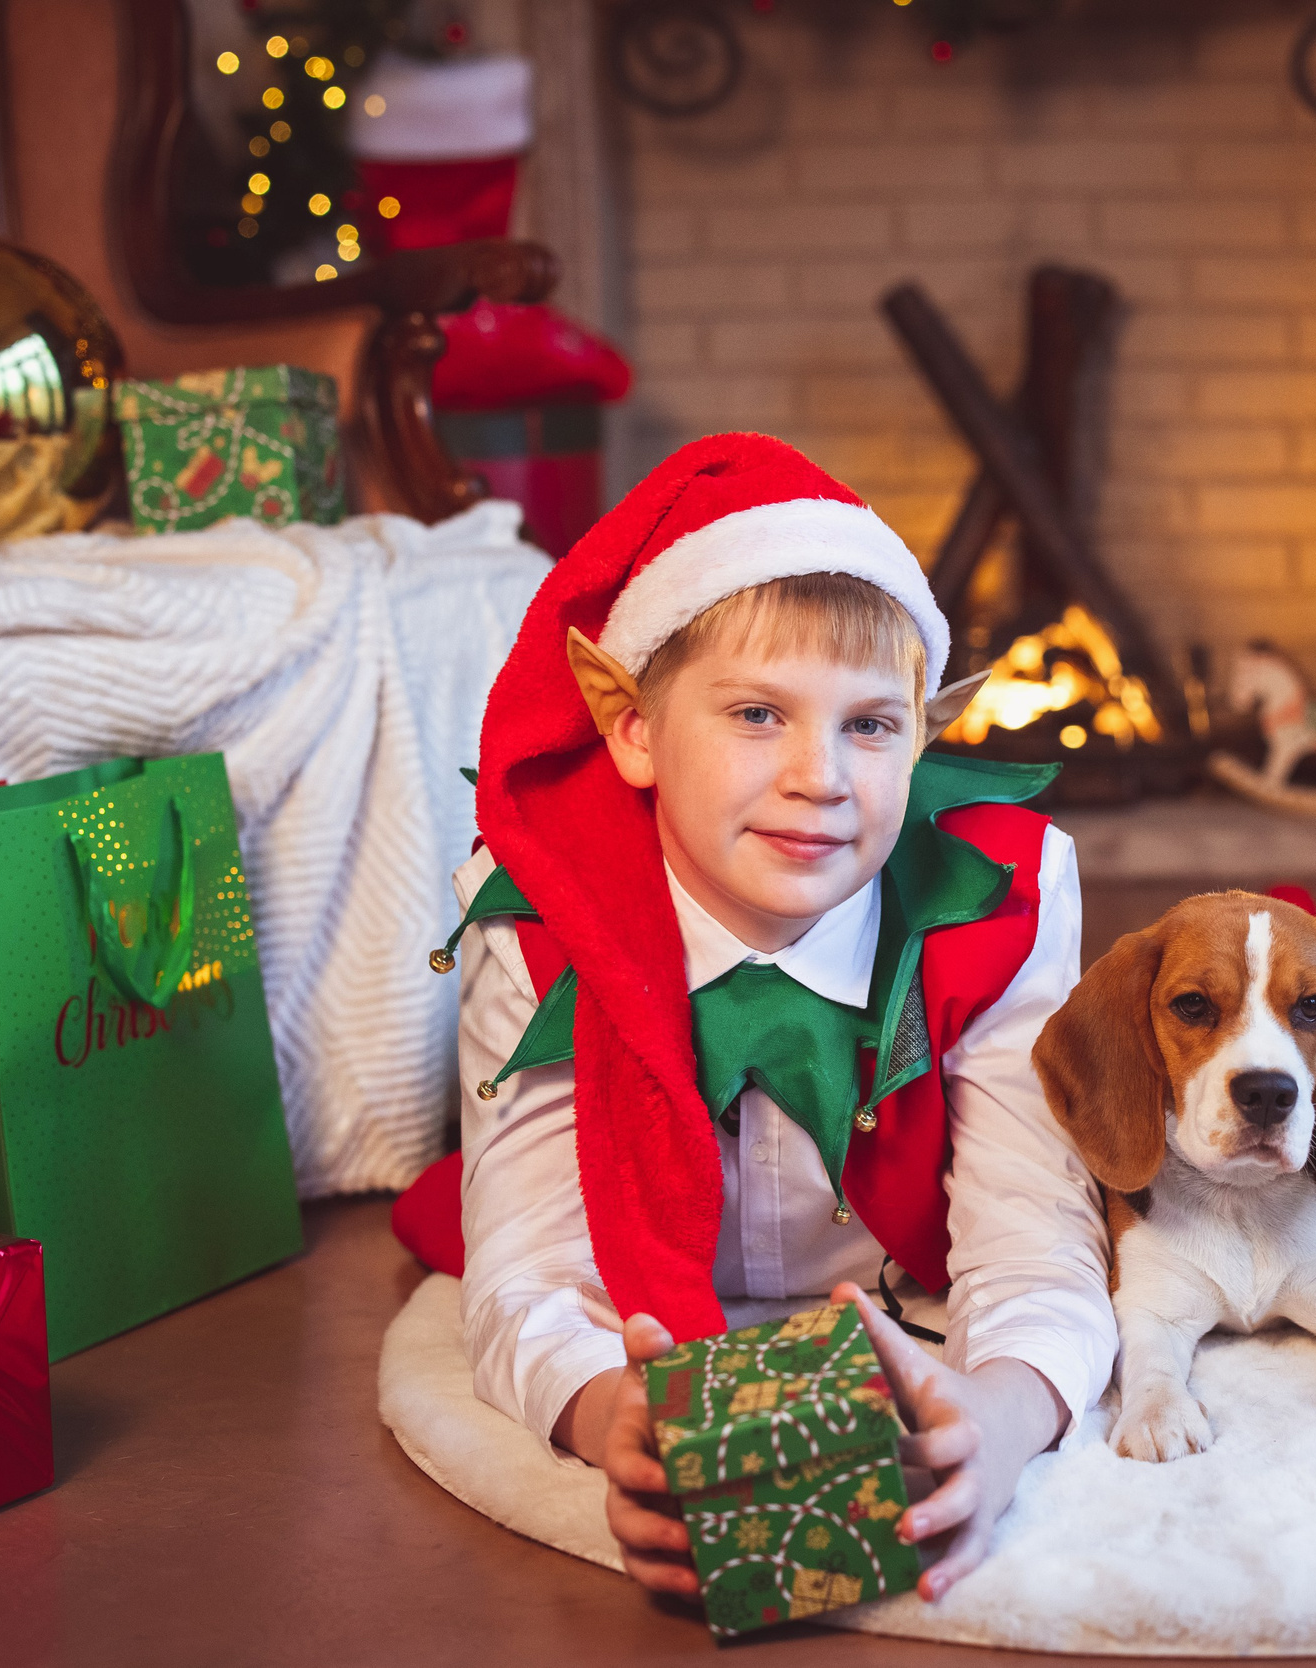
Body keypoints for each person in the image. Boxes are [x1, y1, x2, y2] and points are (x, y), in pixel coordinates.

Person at [436, 433, 1113, 1602]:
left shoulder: (992, 903)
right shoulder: (543, 915)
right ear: (633, 727)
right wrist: (612, 1413)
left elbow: (1035, 1229)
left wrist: (999, 1419)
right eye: (757, 714)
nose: (822, 777)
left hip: (897, 1289)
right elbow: (528, 1272)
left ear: (920, 734)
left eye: (869, 725)